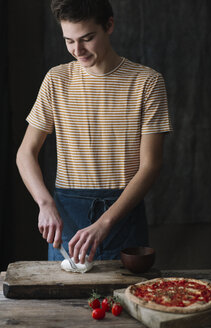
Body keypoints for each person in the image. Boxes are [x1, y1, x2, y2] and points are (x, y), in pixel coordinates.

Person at [16, 0, 171, 265]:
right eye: (69, 41)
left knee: (123, 302)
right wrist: (44, 203)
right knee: (65, 303)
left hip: (122, 214)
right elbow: (25, 153)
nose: (78, 50)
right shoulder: (56, 79)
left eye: (87, 38)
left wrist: (106, 221)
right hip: (67, 214)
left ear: (109, 25)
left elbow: (151, 165)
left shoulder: (147, 82)